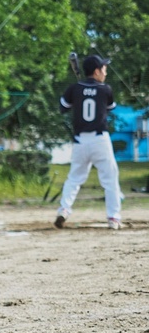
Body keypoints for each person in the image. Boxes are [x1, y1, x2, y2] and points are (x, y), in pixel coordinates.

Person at [54, 54, 122, 230]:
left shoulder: (74, 88)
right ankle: (113, 218)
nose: (105, 72)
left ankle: (64, 209)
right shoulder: (105, 89)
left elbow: (63, 107)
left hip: (80, 141)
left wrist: (79, 95)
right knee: (110, 179)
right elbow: (109, 107)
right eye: (104, 69)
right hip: (100, 140)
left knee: (74, 178)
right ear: (97, 71)